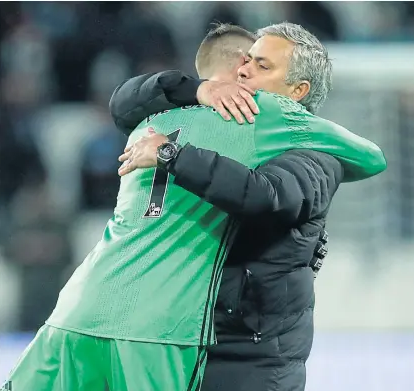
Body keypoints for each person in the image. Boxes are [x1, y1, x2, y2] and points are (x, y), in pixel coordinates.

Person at [110, 23, 387, 391]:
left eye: (262, 66)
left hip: (254, 359)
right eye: (246, 61)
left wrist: (170, 153)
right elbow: (125, 103)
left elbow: (265, 197)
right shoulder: (226, 128)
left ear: (297, 91)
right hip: (194, 343)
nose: (243, 71)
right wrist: (196, 89)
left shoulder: (317, 156)